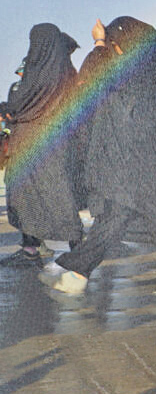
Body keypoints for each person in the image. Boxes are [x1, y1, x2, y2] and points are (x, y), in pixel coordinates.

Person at [41, 17, 156, 295]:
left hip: (146, 154)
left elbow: (89, 79)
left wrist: (99, 42)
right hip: (152, 150)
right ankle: (78, 270)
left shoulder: (134, 67)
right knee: (118, 213)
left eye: (116, 44)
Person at [0, 24, 84, 267]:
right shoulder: (65, 71)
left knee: (38, 197)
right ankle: (64, 248)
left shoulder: (39, 73)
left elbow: (19, 105)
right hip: (57, 142)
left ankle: (59, 250)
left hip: (34, 143)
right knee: (52, 196)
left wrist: (5, 109)